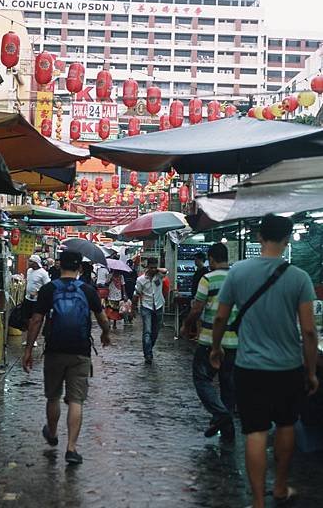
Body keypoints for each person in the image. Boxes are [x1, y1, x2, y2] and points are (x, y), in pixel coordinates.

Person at [211, 214, 319, 508]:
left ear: (259, 237)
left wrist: (216, 347)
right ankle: (281, 488)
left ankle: (258, 502)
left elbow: (221, 316)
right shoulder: (299, 278)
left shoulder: (238, 272)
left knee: (255, 432)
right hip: (288, 367)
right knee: (286, 425)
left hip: (250, 367)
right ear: (287, 240)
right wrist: (311, 372)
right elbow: (309, 331)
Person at [22, 251, 111, 464]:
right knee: (76, 400)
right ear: (80, 267)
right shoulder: (88, 291)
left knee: (53, 397)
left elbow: (36, 320)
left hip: (54, 349)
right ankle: (71, 448)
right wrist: (106, 334)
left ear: (60, 266)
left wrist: (27, 350)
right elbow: (102, 318)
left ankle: (52, 434)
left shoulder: (49, 289)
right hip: (80, 351)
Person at [181, 243, 238, 441]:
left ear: (212, 259)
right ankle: (227, 427)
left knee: (202, 379)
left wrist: (186, 325)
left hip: (210, 340)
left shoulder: (208, 279)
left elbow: (197, 309)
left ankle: (220, 415)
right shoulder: (238, 279)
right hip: (234, 342)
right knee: (227, 384)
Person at [132, 257, 168, 364]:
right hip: (146, 307)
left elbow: (165, 271)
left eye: (154, 267)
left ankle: (149, 348)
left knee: (155, 331)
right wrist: (132, 309)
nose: (153, 269)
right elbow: (136, 294)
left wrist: (156, 270)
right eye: (151, 267)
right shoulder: (141, 280)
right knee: (147, 331)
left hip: (158, 306)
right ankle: (148, 354)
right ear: (147, 267)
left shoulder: (159, 276)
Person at [23, 255, 50, 343]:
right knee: (26, 318)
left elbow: (47, 286)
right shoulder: (29, 271)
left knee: (35, 320)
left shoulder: (43, 273)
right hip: (27, 298)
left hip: (37, 300)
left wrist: (37, 292)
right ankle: (28, 336)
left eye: (31, 261)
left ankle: (33, 339)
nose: (29, 262)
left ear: (35, 263)